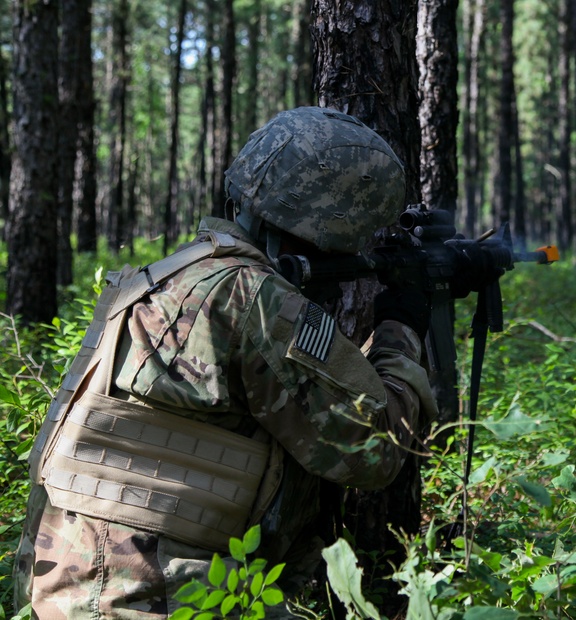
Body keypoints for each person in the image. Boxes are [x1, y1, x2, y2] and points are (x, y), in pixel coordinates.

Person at [13, 106, 438, 618]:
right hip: (149, 597)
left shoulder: (166, 276)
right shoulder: (255, 299)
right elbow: (374, 452)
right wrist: (400, 330)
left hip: (67, 584)